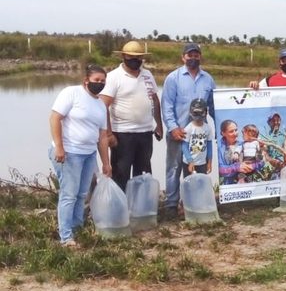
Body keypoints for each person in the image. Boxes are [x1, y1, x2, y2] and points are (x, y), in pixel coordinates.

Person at [49, 65, 111, 247]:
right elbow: (54, 118)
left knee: (82, 193)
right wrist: (60, 147)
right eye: (96, 80)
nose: (99, 83)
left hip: (88, 154)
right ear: (86, 80)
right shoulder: (72, 93)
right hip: (69, 153)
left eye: (102, 81)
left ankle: (77, 227)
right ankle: (66, 236)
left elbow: (102, 136)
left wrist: (106, 162)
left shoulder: (100, 105)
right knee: (69, 194)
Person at [99, 40, 163, 192]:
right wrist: (108, 134)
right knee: (121, 173)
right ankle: (119, 209)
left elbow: (154, 100)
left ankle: (140, 210)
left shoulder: (147, 75)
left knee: (143, 174)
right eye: (131, 57)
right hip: (122, 134)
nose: (135, 60)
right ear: (123, 56)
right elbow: (103, 106)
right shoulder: (114, 77)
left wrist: (159, 125)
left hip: (145, 133)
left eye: (138, 57)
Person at [161, 43, 216, 218]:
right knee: (174, 168)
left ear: (200, 57)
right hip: (179, 133)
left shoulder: (208, 79)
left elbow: (214, 107)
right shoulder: (173, 78)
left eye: (196, 55)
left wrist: (221, 128)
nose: (193, 58)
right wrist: (173, 128)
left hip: (199, 134)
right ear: (183, 57)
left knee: (194, 169)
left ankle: (192, 204)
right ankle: (171, 204)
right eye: (189, 55)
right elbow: (167, 106)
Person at [217, 120, 264, 185]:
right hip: (230, 186)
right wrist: (237, 168)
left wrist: (252, 166)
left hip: (250, 182)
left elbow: (261, 162)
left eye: (236, 130)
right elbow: (220, 170)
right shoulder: (220, 150)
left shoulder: (245, 144)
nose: (235, 133)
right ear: (223, 133)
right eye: (231, 131)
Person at [181, 98, 213, 176]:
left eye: (201, 113)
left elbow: (209, 146)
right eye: (196, 113)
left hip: (202, 163)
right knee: (189, 185)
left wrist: (209, 162)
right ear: (191, 112)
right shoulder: (188, 128)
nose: (198, 116)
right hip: (188, 163)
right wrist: (190, 161)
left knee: (201, 185)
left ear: (205, 112)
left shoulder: (208, 128)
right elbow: (184, 146)